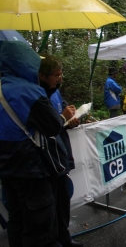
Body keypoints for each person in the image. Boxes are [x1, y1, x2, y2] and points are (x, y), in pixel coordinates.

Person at [0, 41, 64, 247]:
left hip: (6, 169)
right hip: (31, 168)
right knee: (40, 227)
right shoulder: (27, 91)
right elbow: (53, 125)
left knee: (16, 221)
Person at [38, 54, 83, 247]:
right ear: (42, 76)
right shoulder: (38, 95)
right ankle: (54, 240)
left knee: (63, 202)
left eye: (61, 74)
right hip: (47, 159)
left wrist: (72, 118)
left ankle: (65, 238)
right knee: (50, 206)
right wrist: (62, 118)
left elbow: (63, 114)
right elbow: (46, 125)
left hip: (61, 155)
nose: (60, 78)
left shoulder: (56, 91)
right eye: (56, 75)